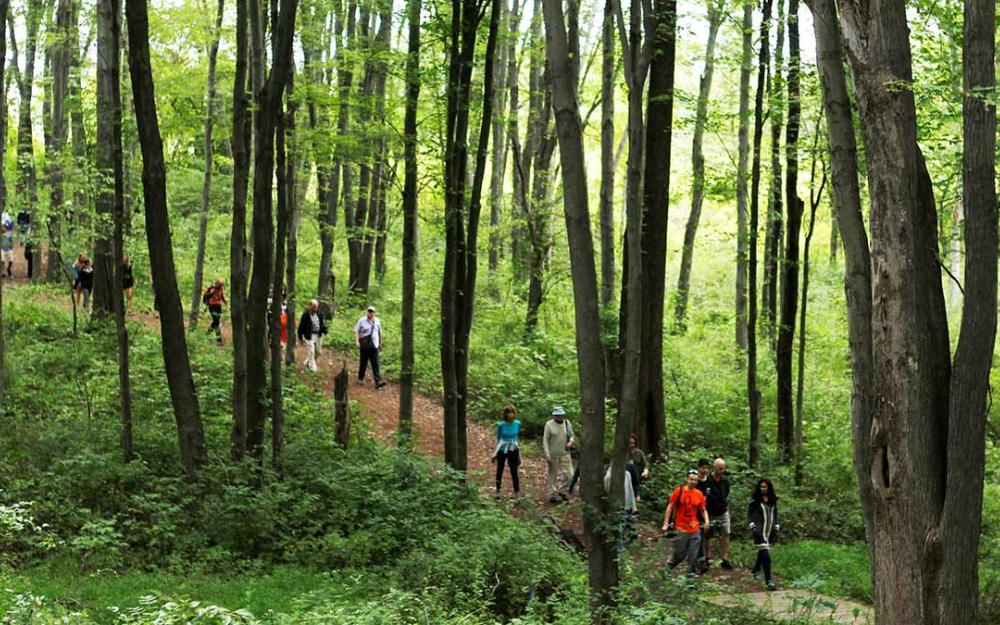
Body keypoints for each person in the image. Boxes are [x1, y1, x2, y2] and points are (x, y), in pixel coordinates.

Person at [662, 469, 710, 578]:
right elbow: (670, 506)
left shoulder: (698, 494)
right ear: (687, 479)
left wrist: (707, 521)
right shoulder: (679, 491)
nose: (693, 482)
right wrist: (666, 523)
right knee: (679, 555)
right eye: (691, 479)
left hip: (695, 528)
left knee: (693, 554)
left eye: (695, 480)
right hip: (681, 529)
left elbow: (703, 509)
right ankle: (666, 570)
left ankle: (690, 576)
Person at [748, 477, 780, 590]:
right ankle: (768, 580)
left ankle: (756, 569)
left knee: (763, 551)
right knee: (766, 554)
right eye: (761, 487)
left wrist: (776, 525)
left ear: (769, 488)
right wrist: (752, 526)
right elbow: (750, 514)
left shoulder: (773, 499)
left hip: (769, 529)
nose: (763, 489)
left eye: (765, 487)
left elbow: (775, 513)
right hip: (759, 530)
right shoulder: (754, 500)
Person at [703, 458, 733, 570]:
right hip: (709, 512)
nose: (721, 470)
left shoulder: (726, 480)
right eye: (719, 468)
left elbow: (726, 493)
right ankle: (706, 557)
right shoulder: (708, 480)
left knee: (726, 533)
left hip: (723, 511)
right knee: (707, 535)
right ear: (714, 467)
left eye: (723, 468)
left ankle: (725, 558)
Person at [543, 405, 575, 503]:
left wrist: (571, 442)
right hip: (553, 454)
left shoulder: (567, 423)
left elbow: (572, 436)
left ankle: (563, 490)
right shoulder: (549, 424)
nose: (559, 417)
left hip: (565, 453)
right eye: (557, 415)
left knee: (570, 475)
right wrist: (547, 455)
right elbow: (545, 441)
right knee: (553, 475)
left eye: (560, 415)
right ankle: (552, 494)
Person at [492, 405, 521, 496]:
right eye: (509, 413)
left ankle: (517, 492)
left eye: (512, 412)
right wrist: (496, 452)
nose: (511, 415)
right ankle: (498, 490)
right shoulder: (501, 425)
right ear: (506, 414)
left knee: (514, 470)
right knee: (500, 469)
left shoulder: (517, 423)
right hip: (503, 448)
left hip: (513, 448)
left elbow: (516, 436)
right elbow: (499, 438)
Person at [354, 306, 386, 388]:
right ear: (367, 311)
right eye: (369, 311)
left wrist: (380, 342)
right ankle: (360, 378)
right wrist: (357, 341)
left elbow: (379, 332)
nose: (370, 313)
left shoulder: (377, 321)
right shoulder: (361, 320)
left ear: (374, 313)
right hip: (364, 344)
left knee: (375, 363)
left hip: (374, 345)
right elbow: (357, 331)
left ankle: (378, 381)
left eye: (372, 312)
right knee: (363, 362)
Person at [297, 299, 328, 372]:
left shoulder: (320, 314)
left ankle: (308, 362)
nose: (315, 308)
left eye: (316, 307)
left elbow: (321, 325)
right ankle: (312, 368)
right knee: (311, 351)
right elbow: (301, 327)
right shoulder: (305, 315)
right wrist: (300, 338)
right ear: (310, 306)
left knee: (318, 352)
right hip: (309, 335)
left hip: (318, 335)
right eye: (314, 306)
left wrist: (325, 331)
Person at [625, 434, 649, 505]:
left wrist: (645, 472)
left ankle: (636, 495)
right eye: (630, 443)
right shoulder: (624, 453)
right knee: (630, 466)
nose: (631, 445)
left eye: (633, 443)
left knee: (633, 467)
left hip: (637, 475)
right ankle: (636, 495)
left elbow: (645, 465)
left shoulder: (639, 453)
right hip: (626, 476)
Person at [203, 278, 227, 344]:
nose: (221, 286)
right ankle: (219, 340)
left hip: (218, 307)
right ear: (216, 283)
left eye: (222, 285)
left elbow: (222, 296)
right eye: (220, 284)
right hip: (212, 306)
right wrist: (211, 292)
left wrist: (227, 304)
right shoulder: (212, 289)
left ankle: (207, 334)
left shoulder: (221, 289)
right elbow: (206, 296)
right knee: (216, 322)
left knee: (216, 322)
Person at [0, 212, 14, 277]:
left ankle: (9, 269)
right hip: (2, 249)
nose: (3, 228)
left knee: (11, 260)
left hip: (8, 248)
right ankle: (2, 273)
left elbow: (11, 240)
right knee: (2, 261)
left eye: (4, 227)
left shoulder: (9, 233)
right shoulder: (1, 234)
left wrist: (11, 246)